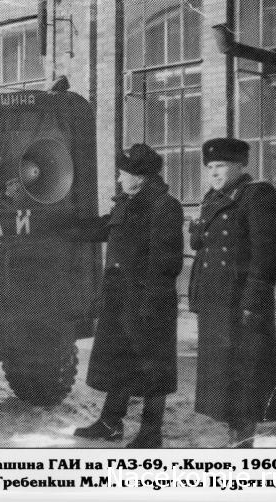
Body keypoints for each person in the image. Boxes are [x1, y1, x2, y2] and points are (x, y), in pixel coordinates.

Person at [69, 144, 183, 448]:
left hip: (148, 301)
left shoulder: (164, 206)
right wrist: (62, 225)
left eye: (122, 174)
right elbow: (105, 227)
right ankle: (110, 422)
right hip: (120, 298)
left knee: (152, 365)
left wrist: (149, 301)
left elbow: (167, 262)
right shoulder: (126, 203)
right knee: (119, 359)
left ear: (140, 177)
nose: (119, 179)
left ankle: (151, 431)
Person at [188, 137, 276, 447]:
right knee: (223, 378)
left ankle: (243, 443)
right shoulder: (211, 199)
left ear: (241, 166)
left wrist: (254, 299)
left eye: (222, 166)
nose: (214, 173)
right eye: (210, 167)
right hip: (216, 301)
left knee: (246, 377)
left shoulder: (257, 196)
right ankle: (235, 438)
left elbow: (267, 252)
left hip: (242, 302)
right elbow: (203, 250)